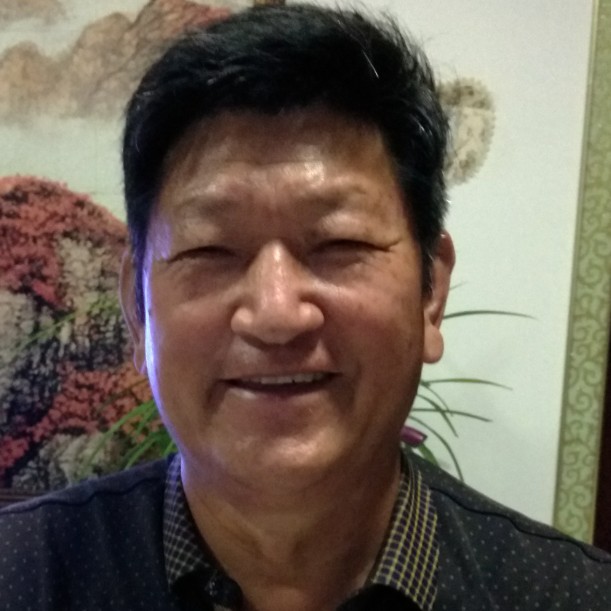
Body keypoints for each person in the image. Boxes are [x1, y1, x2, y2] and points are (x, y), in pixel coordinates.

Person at [1, 4, 610, 610]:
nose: (276, 314)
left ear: (431, 293)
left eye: (340, 244)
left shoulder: (571, 596)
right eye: (211, 249)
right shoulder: (21, 573)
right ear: (138, 310)